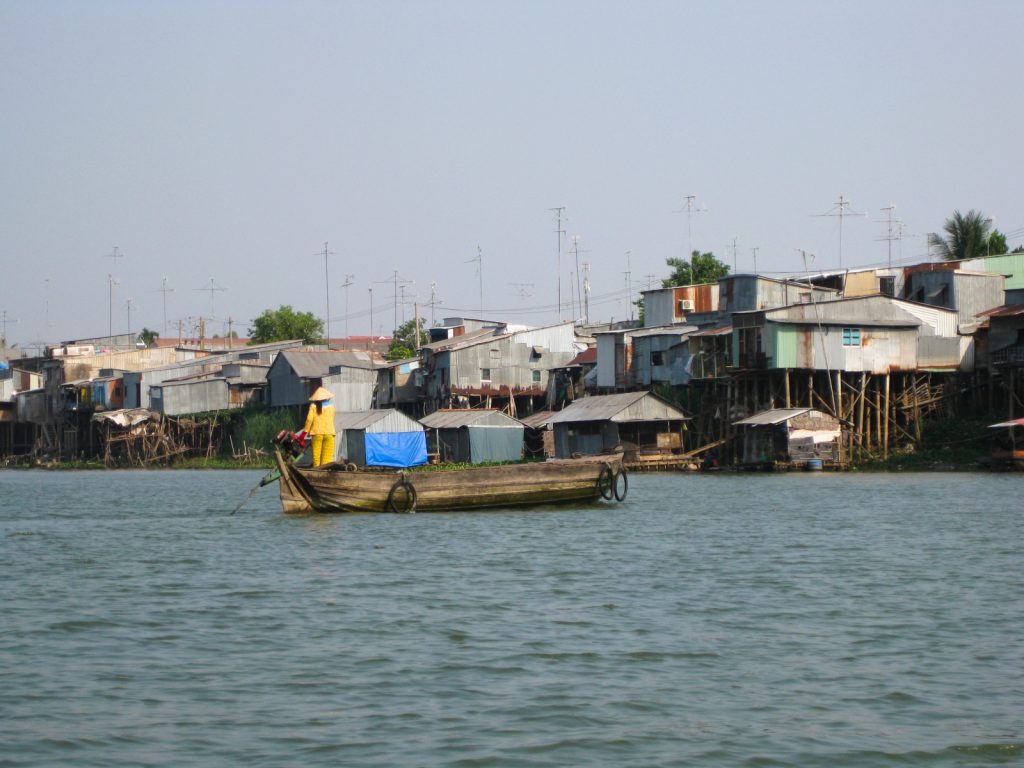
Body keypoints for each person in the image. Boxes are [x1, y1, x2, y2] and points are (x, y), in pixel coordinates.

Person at [302, 386, 336, 467]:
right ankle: (325, 475)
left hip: (317, 434)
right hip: (329, 434)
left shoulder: (313, 406)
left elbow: (309, 420)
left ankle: (317, 472)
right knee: (327, 459)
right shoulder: (332, 407)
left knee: (316, 459)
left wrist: (304, 434)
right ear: (327, 398)